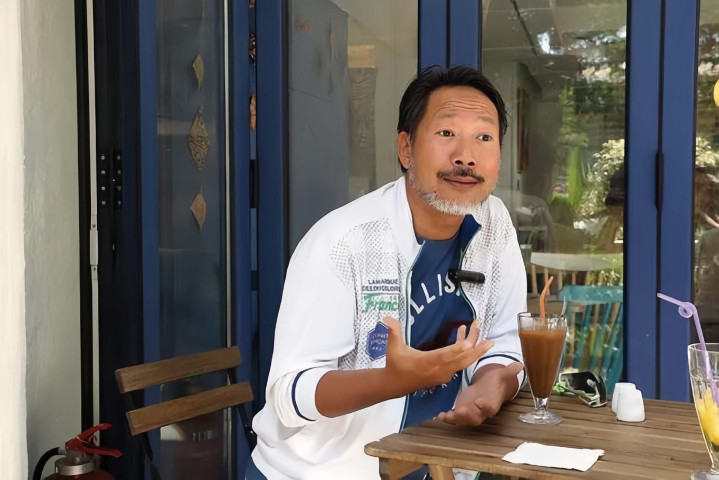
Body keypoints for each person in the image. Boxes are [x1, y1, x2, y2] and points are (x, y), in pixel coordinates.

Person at [246, 66, 527, 480]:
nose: (466, 156)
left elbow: (504, 341)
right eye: (446, 133)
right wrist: (392, 381)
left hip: (439, 468)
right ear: (406, 149)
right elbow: (290, 395)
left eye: (483, 137)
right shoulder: (343, 242)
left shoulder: (493, 223)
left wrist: (490, 386)